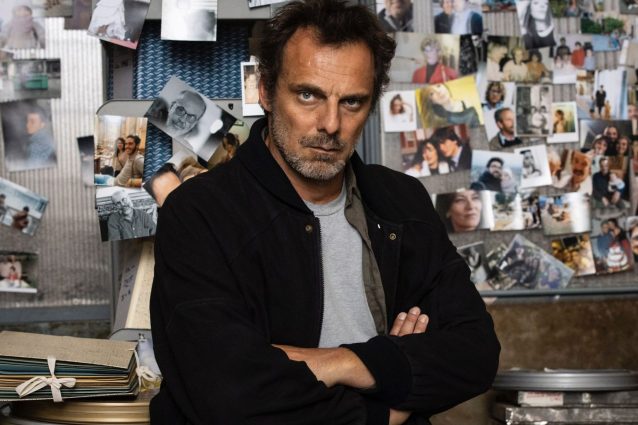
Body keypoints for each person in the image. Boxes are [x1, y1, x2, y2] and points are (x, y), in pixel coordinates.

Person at [150, 1, 500, 424]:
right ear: (265, 91)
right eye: (308, 95)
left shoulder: (401, 199)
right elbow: (226, 391)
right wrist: (384, 404)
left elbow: (476, 354)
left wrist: (341, 362)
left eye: (352, 102)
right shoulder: (200, 212)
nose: (330, 124)